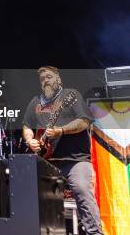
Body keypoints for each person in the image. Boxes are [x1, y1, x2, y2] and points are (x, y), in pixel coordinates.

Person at [22, 66, 103, 235]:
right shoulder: (36, 101)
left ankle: (94, 232)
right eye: (42, 78)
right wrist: (30, 140)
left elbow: (84, 121)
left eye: (49, 77)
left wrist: (61, 130)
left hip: (75, 160)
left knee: (82, 189)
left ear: (58, 79)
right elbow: (27, 125)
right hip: (47, 163)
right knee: (25, 190)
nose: (46, 80)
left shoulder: (70, 96)